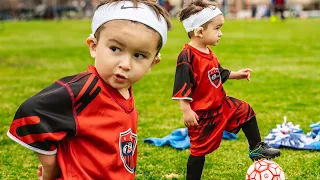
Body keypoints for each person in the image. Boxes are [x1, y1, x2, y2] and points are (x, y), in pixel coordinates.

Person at [7, 0, 171, 179]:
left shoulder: (123, 89)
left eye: (139, 55)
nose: (125, 65)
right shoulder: (84, 91)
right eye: (115, 49)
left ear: (152, 63)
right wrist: (50, 167)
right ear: (94, 46)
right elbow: (30, 112)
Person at [172, 0, 280, 179]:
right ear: (199, 31)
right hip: (202, 114)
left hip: (221, 105)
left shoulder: (208, 51)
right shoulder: (188, 55)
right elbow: (182, 85)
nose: (220, 33)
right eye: (217, 28)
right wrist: (186, 110)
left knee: (245, 110)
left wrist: (236, 74)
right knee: (199, 151)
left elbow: (217, 73)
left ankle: (256, 149)